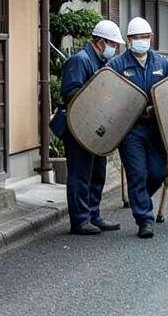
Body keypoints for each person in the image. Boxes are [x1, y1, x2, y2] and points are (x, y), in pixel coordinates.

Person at [50, 20, 126, 236]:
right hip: (78, 126)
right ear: (100, 42)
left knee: (97, 172)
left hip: (94, 126)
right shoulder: (80, 60)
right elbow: (69, 93)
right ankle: (80, 219)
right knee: (81, 173)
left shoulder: (99, 62)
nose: (115, 48)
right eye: (112, 43)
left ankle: (93, 214)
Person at [107, 17, 168, 239]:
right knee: (137, 173)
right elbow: (106, 94)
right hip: (130, 130)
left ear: (151, 38)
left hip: (156, 128)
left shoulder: (162, 63)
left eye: (144, 37)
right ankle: (145, 219)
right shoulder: (117, 65)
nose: (140, 41)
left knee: (157, 173)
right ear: (128, 40)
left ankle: (140, 199)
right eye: (136, 38)